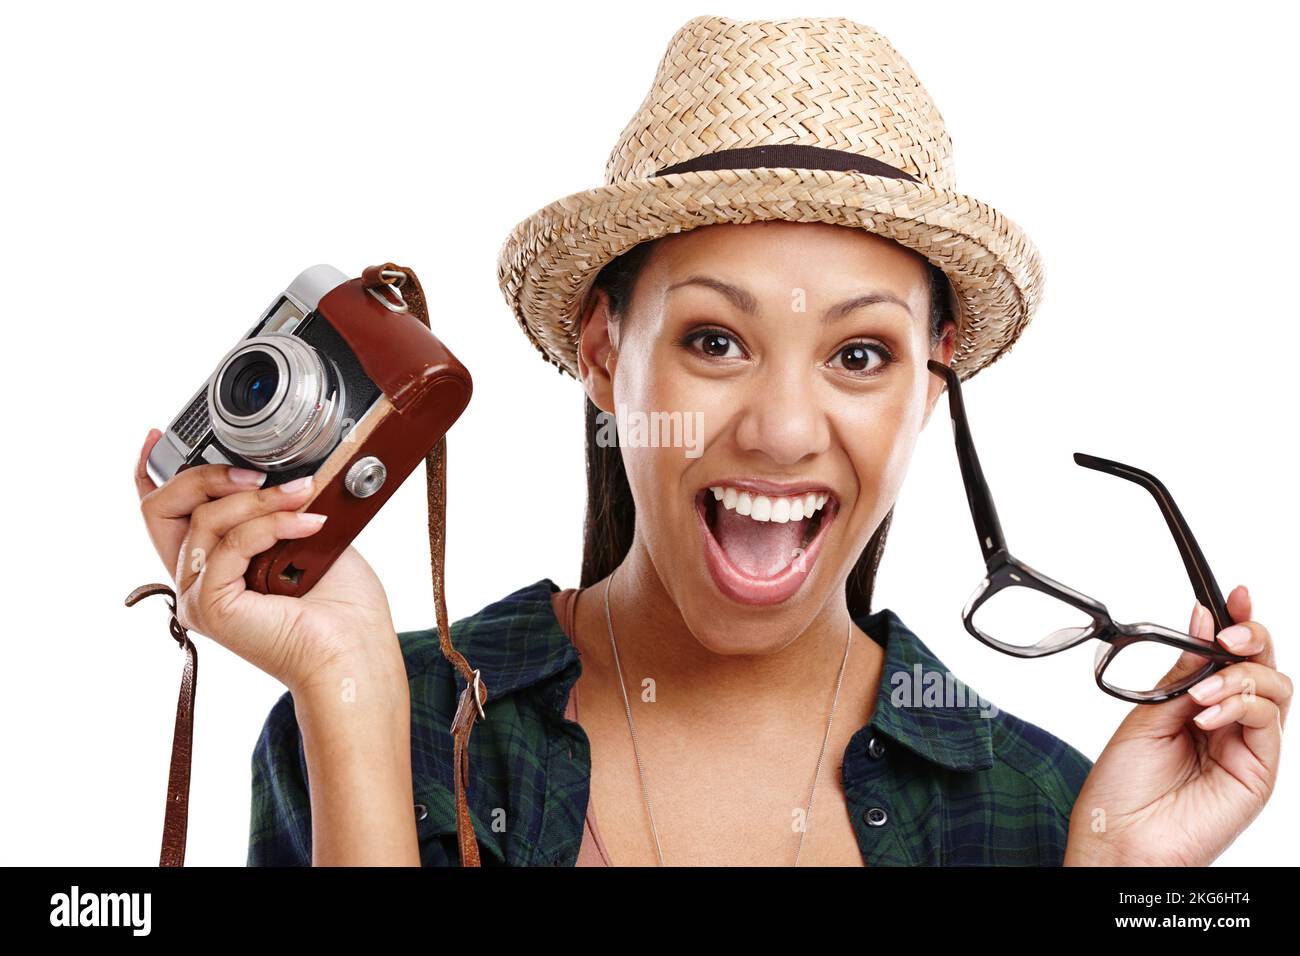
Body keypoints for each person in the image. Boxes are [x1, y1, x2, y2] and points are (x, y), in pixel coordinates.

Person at [135, 15, 1288, 866]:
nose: (782, 428)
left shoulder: (1041, 805)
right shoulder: (383, 713)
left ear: (932, 382)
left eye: (859, 355)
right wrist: (348, 690)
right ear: (601, 355)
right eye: (714, 340)